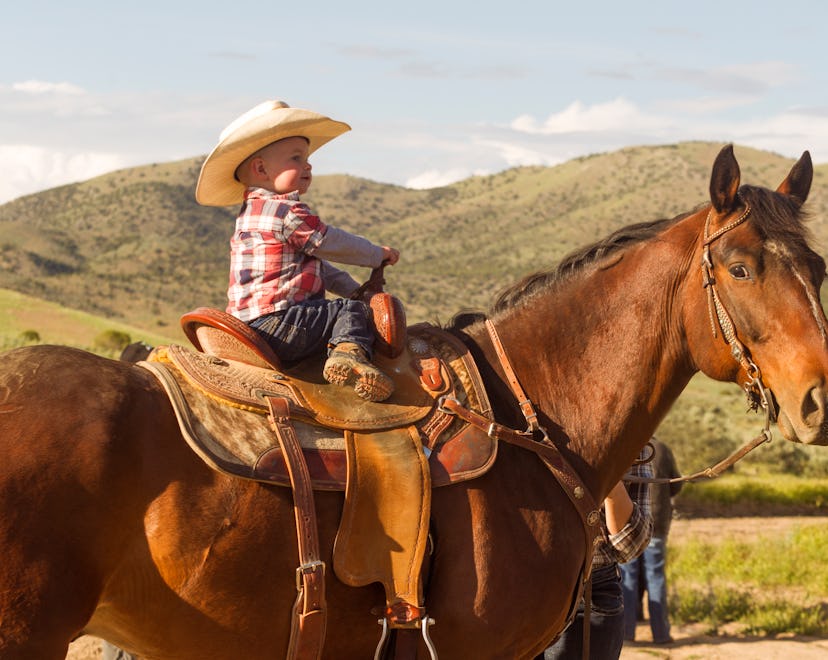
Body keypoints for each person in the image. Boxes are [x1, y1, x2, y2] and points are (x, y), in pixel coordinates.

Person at [195, 100, 400, 402]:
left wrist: (356, 289)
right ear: (261, 168)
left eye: (306, 158)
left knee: (349, 304)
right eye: (296, 158)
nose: (308, 165)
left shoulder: (250, 215)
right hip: (282, 321)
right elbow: (329, 243)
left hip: (252, 324)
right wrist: (376, 254)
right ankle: (347, 355)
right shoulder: (284, 212)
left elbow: (320, 269)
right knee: (351, 312)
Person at [536, 454, 653, 660]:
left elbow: (629, 546)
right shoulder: (512, 423)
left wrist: (609, 478)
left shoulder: (633, 435)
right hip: (512, 590)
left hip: (591, 592)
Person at [620, 437, 682, 645]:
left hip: (630, 524)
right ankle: (661, 634)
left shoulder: (627, 446)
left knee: (627, 577)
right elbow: (676, 484)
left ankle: (626, 633)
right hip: (658, 523)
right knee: (655, 577)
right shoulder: (662, 448)